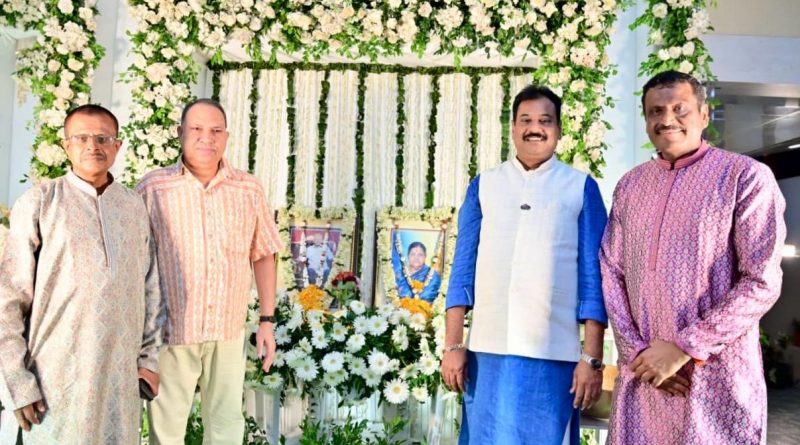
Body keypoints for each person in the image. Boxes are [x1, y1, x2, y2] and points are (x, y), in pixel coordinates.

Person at [600, 71, 786, 445]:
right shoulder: (630, 186)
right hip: (644, 378)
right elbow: (611, 270)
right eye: (656, 111)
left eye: (679, 109)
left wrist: (685, 348)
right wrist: (639, 354)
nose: (666, 119)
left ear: (703, 115)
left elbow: (762, 280)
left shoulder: (744, 177)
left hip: (714, 378)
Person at [442, 85, 608, 444]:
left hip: (553, 353)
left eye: (545, 121)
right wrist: (453, 346)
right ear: (514, 128)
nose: (535, 128)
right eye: (526, 120)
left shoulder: (580, 187)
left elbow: (594, 282)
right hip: (487, 353)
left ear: (559, 129)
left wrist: (592, 358)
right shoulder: (485, 185)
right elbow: (462, 271)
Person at [0, 104, 164, 444]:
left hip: (120, 380)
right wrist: (17, 382)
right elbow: (8, 297)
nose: (93, 146)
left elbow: (150, 288)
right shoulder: (41, 201)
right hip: (55, 380)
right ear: (66, 146)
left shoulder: (133, 207)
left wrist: (149, 360)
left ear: (117, 146)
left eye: (103, 138)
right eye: (82, 138)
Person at [137, 98, 283, 444]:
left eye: (216, 130)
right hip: (171, 332)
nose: (207, 138)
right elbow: (135, 261)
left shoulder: (248, 188)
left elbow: (264, 254)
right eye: (197, 129)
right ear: (180, 133)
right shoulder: (154, 188)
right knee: (166, 433)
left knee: (226, 428)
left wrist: (267, 320)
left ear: (227, 136)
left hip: (227, 331)